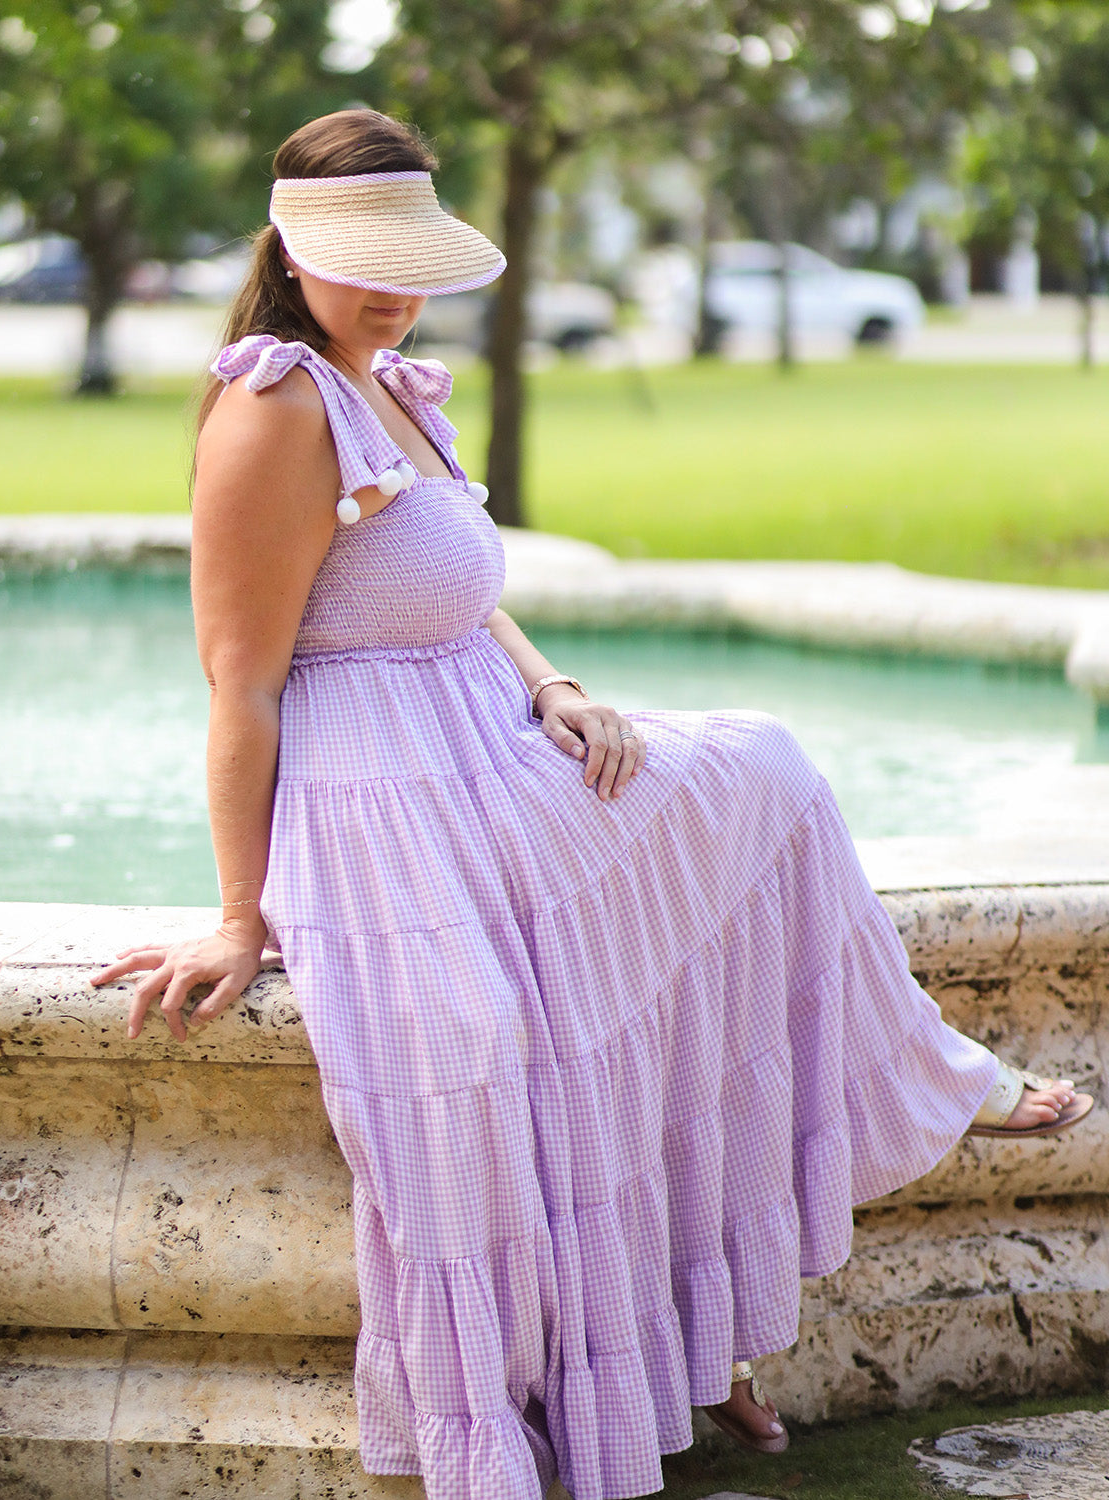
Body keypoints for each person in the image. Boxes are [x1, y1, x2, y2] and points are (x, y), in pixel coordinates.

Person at [92, 109, 1092, 1500]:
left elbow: (452, 588)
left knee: (761, 783)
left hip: (491, 745)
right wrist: (240, 915)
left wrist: (555, 682)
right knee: (482, 1051)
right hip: (383, 798)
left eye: (410, 259)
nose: (394, 287)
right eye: (361, 259)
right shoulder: (274, 404)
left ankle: (785, 1220)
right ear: (292, 248)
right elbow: (242, 683)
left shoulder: (391, 381)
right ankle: (536, 1410)